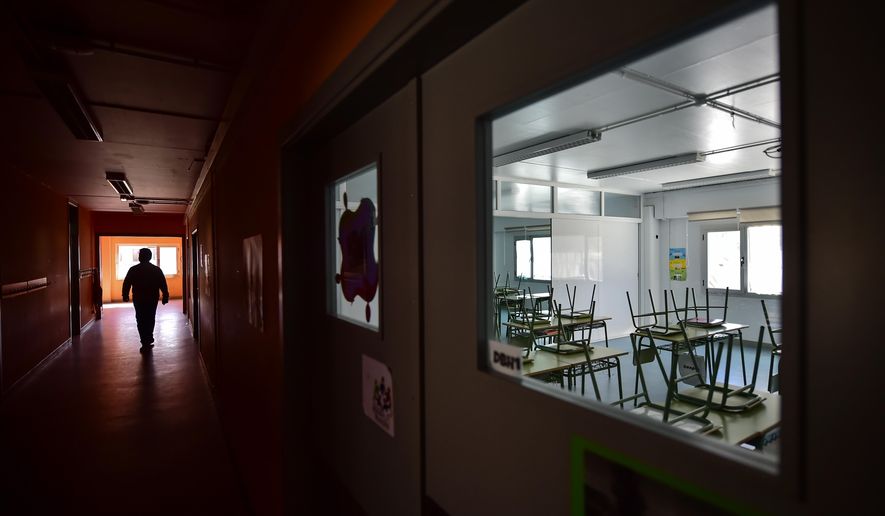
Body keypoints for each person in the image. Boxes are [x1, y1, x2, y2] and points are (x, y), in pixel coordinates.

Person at [122, 248, 169, 352]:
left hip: (138, 298)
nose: (139, 257)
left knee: (140, 318)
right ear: (150, 257)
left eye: (140, 255)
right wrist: (165, 296)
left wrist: (125, 295)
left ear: (141, 257)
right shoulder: (156, 269)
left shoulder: (133, 269)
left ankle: (144, 340)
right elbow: (163, 284)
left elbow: (126, 283)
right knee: (150, 317)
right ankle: (148, 338)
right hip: (152, 298)